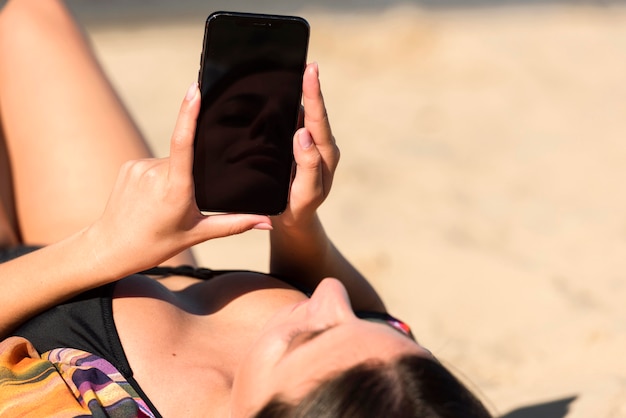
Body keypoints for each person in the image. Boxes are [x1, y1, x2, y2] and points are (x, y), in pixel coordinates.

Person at [0, 0, 492, 417]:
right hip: (119, 246)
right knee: (33, 15)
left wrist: (103, 248)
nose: (332, 297)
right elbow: (372, 318)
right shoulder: (386, 388)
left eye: (309, 337)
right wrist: (297, 224)